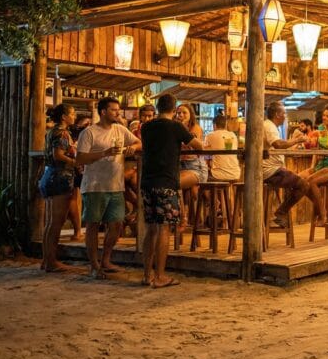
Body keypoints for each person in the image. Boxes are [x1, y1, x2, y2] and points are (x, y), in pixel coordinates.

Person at [140, 94, 203, 288]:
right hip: (166, 181)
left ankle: (146, 275)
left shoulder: (146, 127)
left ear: (158, 107)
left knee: (151, 229)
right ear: (174, 109)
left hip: (147, 180)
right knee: (164, 228)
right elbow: (199, 146)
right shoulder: (176, 127)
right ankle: (160, 276)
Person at [75, 97, 141, 278]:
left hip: (116, 185)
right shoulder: (89, 133)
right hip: (95, 186)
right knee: (93, 226)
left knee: (116, 224)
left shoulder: (120, 129)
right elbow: (80, 159)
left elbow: (138, 142)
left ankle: (106, 259)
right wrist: (104, 153)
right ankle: (94, 265)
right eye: (113, 110)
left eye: (117, 110)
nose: (117, 113)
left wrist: (133, 148)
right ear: (103, 112)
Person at [262, 102, 316, 229]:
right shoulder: (269, 126)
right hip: (271, 171)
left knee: (299, 183)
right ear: (277, 114)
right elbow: (278, 144)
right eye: (284, 113)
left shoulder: (270, 126)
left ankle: (277, 216)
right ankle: (280, 214)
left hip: (273, 170)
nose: (285, 116)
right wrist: (296, 140)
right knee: (303, 185)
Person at [38, 104, 79, 272]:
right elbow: (58, 155)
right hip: (60, 177)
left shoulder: (51, 131)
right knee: (56, 222)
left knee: (50, 223)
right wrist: (75, 162)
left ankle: (47, 259)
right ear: (64, 117)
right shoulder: (62, 133)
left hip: (49, 175)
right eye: (72, 113)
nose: (74, 116)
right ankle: (51, 261)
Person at [66, 113, 92, 241]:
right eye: (86, 124)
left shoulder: (77, 134)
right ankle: (78, 231)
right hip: (78, 169)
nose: (89, 126)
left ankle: (79, 231)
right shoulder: (74, 135)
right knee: (73, 199)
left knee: (76, 199)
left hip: (81, 169)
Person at [204, 114, 240, 182]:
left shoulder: (210, 135)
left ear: (214, 125)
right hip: (235, 173)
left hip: (218, 175)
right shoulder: (233, 135)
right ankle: (224, 192)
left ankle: (212, 192)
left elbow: (206, 157)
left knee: (203, 175)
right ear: (225, 125)